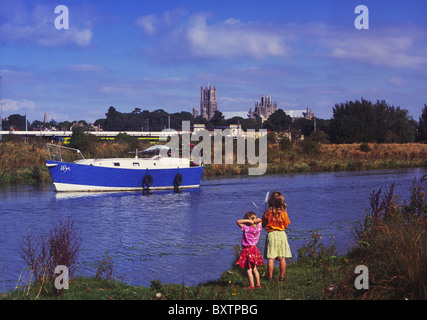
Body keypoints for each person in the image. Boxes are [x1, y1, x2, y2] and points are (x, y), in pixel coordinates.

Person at [262, 191, 292, 282]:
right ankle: (282, 277)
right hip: (281, 234)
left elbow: (263, 225)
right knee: (282, 258)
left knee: (271, 258)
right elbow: (286, 225)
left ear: (271, 201)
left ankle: (269, 277)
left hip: (271, 235)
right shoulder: (283, 213)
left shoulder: (267, 212)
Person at [236, 211, 264, 289]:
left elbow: (238, 221)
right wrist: (256, 220)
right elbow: (261, 220)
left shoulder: (246, 228)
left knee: (248, 269)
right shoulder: (258, 228)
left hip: (247, 250)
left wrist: (248, 221)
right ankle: (258, 284)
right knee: (255, 268)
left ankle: (252, 286)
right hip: (254, 249)